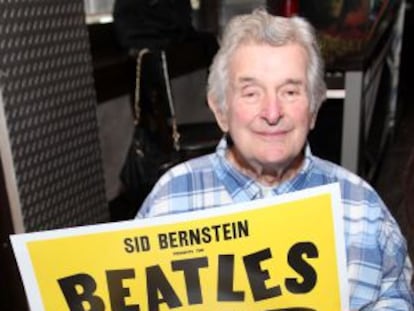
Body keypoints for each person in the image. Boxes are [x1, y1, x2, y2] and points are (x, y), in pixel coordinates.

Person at [136, 9, 414, 309]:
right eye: (251, 93)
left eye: (290, 91)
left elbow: (396, 299)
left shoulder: (364, 210)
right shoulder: (170, 201)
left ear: (314, 109)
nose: (272, 113)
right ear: (220, 110)